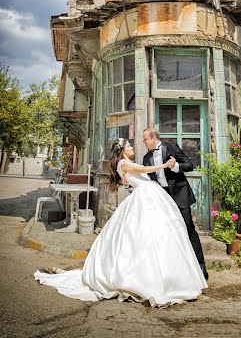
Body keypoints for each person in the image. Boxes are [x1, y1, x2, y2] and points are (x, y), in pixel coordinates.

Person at [34, 139, 207, 306]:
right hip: (146, 197)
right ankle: (146, 278)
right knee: (144, 235)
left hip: (151, 196)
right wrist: (163, 165)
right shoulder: (124, 163)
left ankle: (164, 274)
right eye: (129, 145)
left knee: (156, 236)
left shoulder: (127, 162)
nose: (132, 146)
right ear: (123, 149)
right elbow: (146, 169)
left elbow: (136, 176)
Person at [142, 127, 208, 281]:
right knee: (168, 234)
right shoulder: (146, 158)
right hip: (162, 199)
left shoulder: (171, 147)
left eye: (145, 139)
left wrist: (176, 166)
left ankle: (201, 268)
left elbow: (190, 165)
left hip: (180, 195)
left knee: (188, 229)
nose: (143, 142)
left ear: (153, 137)